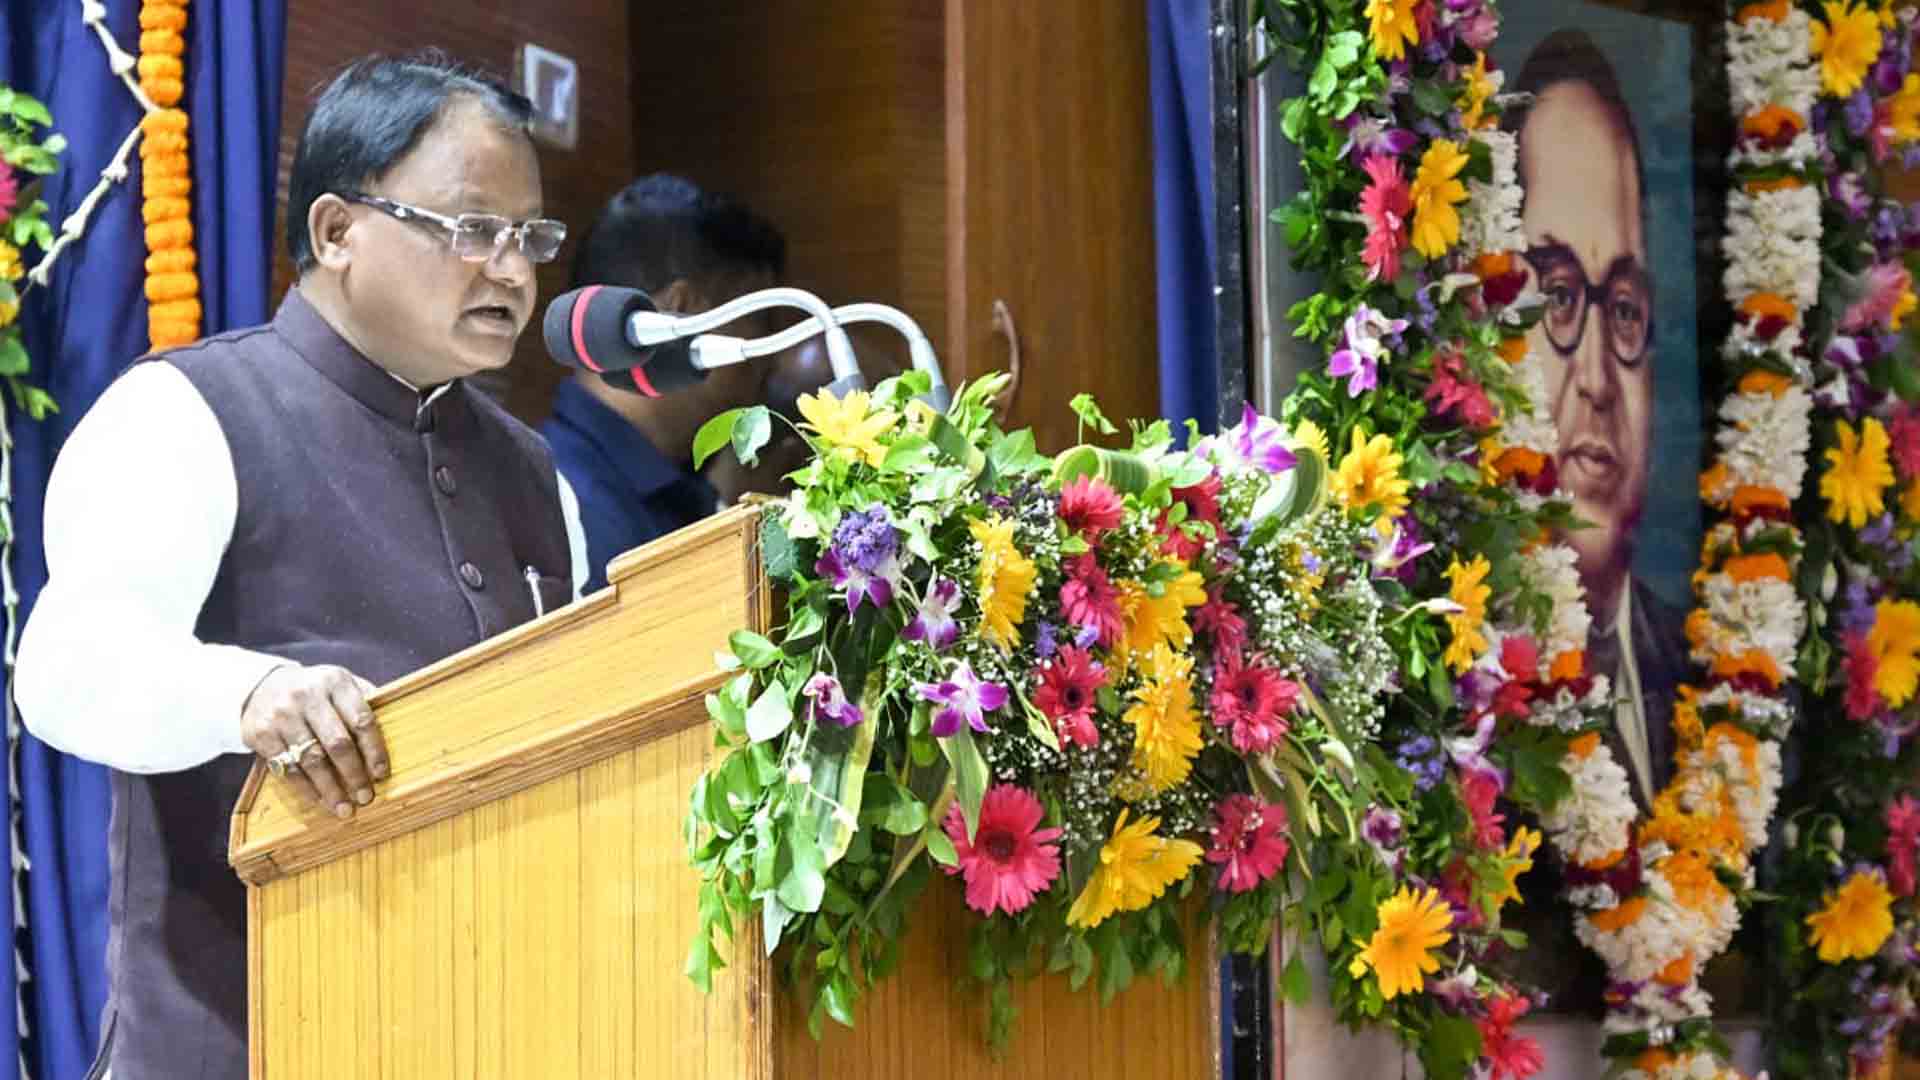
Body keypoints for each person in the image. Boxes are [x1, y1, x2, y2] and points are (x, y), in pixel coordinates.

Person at [15, 53, 588, 1079]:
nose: (511, 270)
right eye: (472, 230)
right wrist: (251, 692)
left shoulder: (532, 472)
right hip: (234, 1044)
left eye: (528, 236)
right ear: (335, 231)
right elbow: (64, 668)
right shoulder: (186, 413)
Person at [1496, 27, 1694, 1017]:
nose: (1595, 378)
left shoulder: (1701, 673)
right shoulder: (1448, 696)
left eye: (1621, 309)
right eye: (1555, 294)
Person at [541, 174, 787, 590]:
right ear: (681, 313)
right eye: (759, 318)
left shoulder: (690, 481)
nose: (770, 353)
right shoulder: (559, 497)